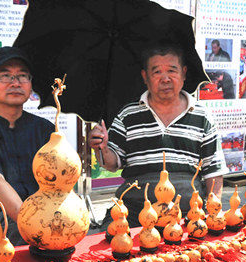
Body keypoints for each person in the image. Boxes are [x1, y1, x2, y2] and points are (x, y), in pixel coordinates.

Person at [89, 44, 228, 229]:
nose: (165, 79)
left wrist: (214, 212)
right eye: (156, 72)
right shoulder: (127, 115)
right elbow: (112, 164)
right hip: (134, 210)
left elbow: (214, 173)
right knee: (108, 247)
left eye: (172, 70)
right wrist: (102, 147)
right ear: (145, 77)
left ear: (184, 74)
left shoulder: (202, 117)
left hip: (188, 212)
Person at [0, 46, 55, 246]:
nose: (15, 83)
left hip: (44, 218)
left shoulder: (45, 129)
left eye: (22, 76)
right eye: (5, 76)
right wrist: (32, 226)